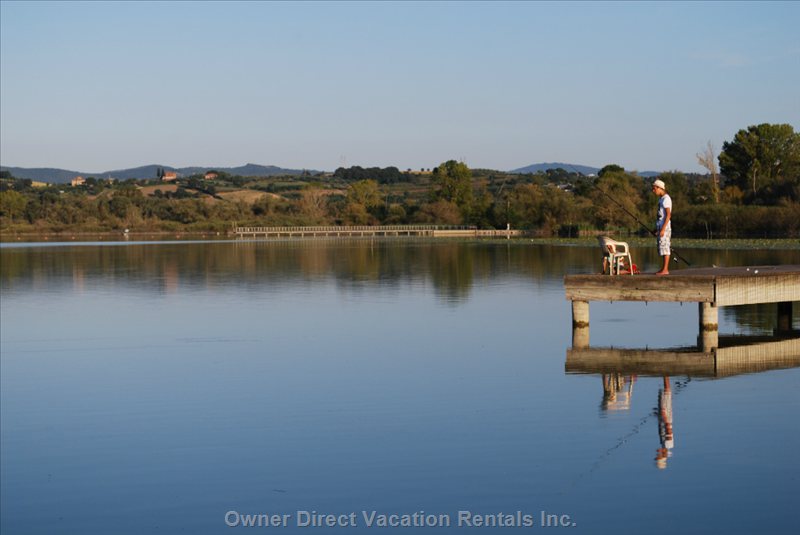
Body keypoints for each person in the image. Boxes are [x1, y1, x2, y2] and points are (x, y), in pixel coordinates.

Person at [652, 179, 672, 275]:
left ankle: (665, 270)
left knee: (665, 247)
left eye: (654, 188)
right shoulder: (661, 199)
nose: (653, 190)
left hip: (665, 227)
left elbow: (668, 215)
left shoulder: (666, 199)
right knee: (662, 247)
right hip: (661, 226)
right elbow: (661, 216)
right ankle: (663, 268)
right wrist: (657, 229)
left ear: (660, 188)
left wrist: (663, 229)